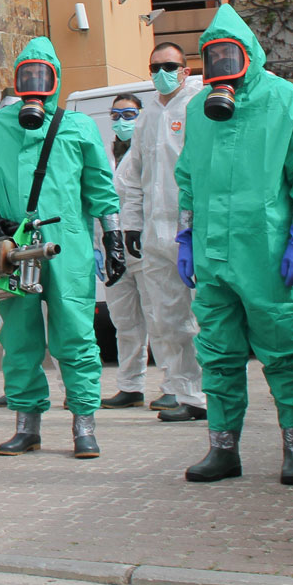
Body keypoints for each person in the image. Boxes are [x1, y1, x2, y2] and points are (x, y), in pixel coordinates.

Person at [173, 6, 293, 486]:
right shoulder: (199, 110)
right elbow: (187, 179)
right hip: (213, 256)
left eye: (230, 55)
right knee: (217, 354)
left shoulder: (287, 100)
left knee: (284, 354)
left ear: (250, 54)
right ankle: (223, 450)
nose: (222, 66)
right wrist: (185, 236)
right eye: (213, 57)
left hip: (268, 254)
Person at [0, 36, 125, 459]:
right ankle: (26, 425)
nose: (35, 85)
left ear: (56, 79)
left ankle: (84, 425)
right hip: (12, 246)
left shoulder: (77, 126)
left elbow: (100, 186)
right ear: (17, 80)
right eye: (27, 76)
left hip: (67, 246)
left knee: (76, 333)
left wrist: (113, 236)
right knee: (19, 337)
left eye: (43, 76)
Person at [114, 43, 208, 422]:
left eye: (170, 66)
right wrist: (133, 224)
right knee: (167, 319)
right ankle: (186, 394)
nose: (162, 73)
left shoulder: (199, 105)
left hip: (195, 231)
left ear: (186, 69)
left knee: (206, 317)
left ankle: (214, 392)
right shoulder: (149, 114)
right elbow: (134, 175)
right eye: (155, 67)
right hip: (156, 234)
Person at [99, 94, 150, 410]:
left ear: (141, 115)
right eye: (116, 115)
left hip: (145, 245)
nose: (122, 120)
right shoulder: (107, 153)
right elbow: (99, 202)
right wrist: (98, 247)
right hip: (113, 250)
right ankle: (131, 386)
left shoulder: (150, 150)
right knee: (125, 321)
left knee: (162, 318)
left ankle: (176, 386)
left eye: (129, 114)